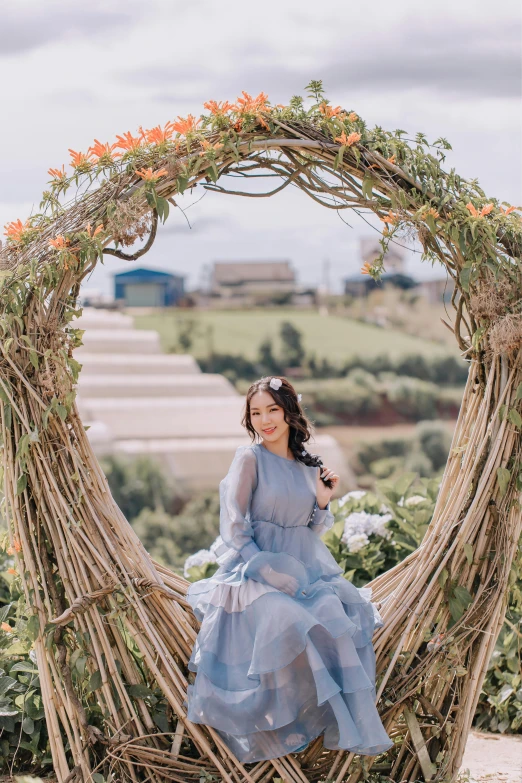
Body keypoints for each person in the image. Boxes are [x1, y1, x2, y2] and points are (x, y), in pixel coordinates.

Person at [184, 376, 393, 763]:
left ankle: (328, 727)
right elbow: (233, 524)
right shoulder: (249, 458)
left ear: (289, 412)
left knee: (337, 618)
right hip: (252, 570)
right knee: (285, 618)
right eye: (256, 412)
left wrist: (324, 503)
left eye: (273, 410)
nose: (265, 420)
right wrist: (265, 570)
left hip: (304, 568)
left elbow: (308, 529)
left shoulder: (306, 467)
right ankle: (274, 727)